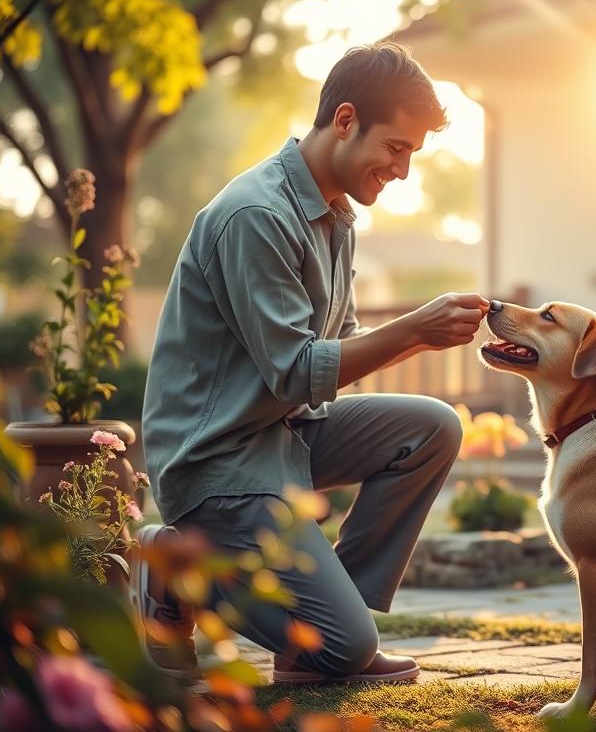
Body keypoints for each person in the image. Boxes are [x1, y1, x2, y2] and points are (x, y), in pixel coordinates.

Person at [134, 41, 490, 684]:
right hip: (219, 463)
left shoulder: (334, 215)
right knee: (348, 649)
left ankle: (313, 636)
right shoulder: (256, 215)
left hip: (286, 436)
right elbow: (298, 371)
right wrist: (415, 326)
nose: (403, 171)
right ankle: (172, 569)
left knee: (431, 427)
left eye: (412, 153)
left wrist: (427, 336)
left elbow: (339, 343)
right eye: (396, 148)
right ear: (346, 120)